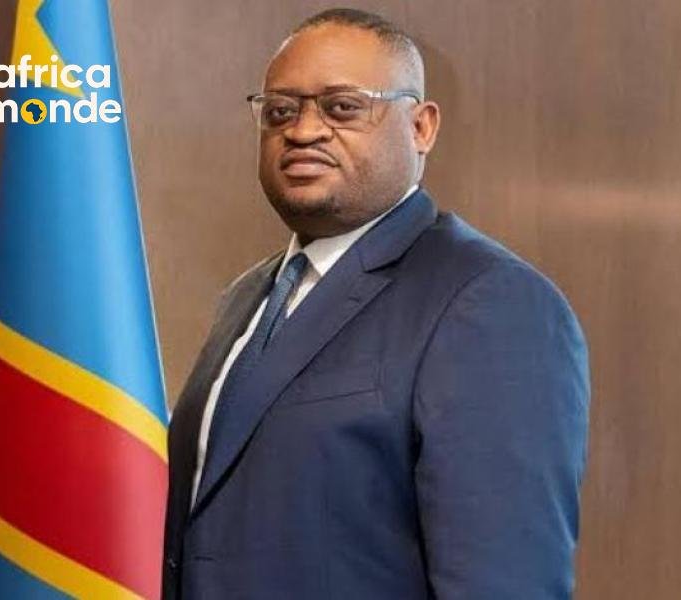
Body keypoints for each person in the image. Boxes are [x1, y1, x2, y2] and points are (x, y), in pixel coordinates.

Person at [162, 8, 590, 600]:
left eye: (342, 107)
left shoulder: (490, 302)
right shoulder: (246, 298)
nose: (303, 131)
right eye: (281, 111)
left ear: (421, 127)